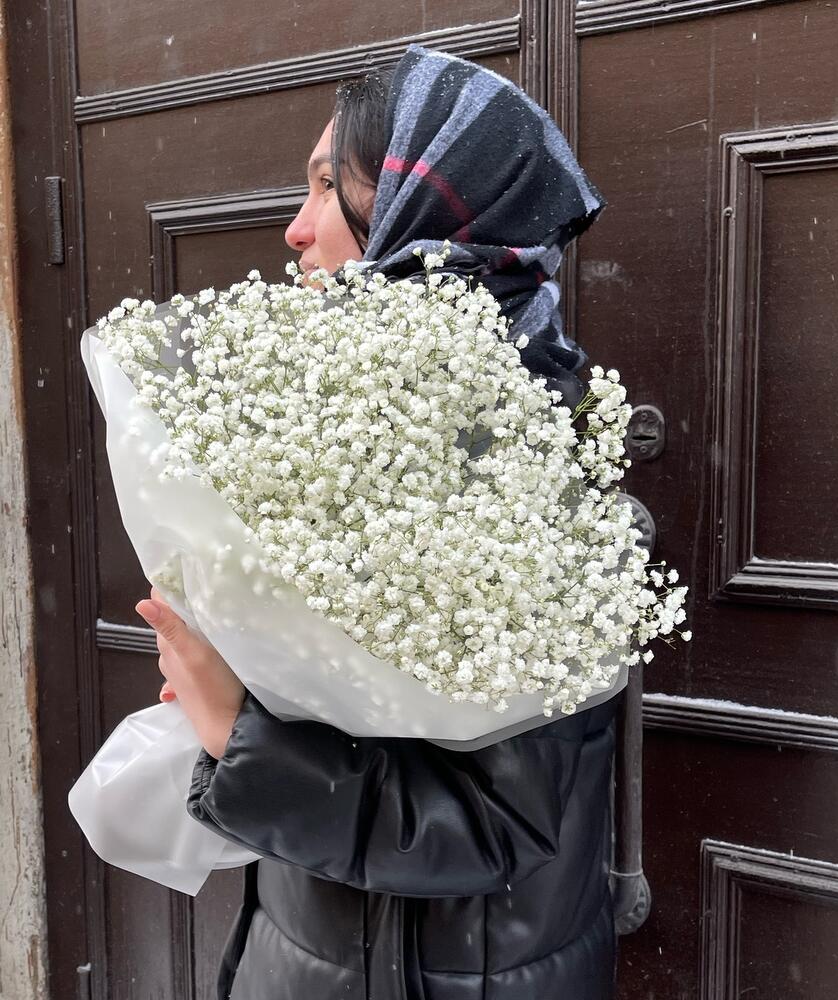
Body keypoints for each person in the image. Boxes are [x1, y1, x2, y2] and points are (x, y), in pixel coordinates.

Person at [136, 43, 622, 1000]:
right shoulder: (305, 440)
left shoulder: (541, 484)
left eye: (327, 187)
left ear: (423, 212)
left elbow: (499, 829)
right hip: (295, 956)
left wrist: (238, 735)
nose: (294, 229)